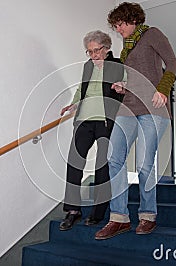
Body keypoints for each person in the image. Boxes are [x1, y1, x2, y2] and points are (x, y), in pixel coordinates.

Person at [95, 2, 176, 240]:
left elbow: (172, 64)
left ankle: (148, 215)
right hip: (128, 107)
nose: (118, 30)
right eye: (116, 26)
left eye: (119, 25)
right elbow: (134, 78)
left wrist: (162, 89)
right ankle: (119, 218)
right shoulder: (125, 49)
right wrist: (122, 85)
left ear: (131, 20)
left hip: (153, 108)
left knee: (144, 163)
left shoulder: (153, 34)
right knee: (115, 158)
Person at [59, 30, 125, 231]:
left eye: (97, 50)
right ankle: (73, 210)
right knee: (74, 163)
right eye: (90, 52)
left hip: (106, 121)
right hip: (84, 121)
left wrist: (122, 87)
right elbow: (82, 88)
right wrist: (73, 104)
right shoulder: (88, 66)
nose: (94, 55)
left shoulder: (118, 65)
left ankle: (98, 212)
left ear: (106, 48)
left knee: (101, 167)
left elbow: (127, 86)